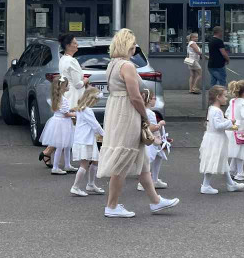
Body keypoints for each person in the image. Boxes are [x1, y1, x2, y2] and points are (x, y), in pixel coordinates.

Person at [97, 29, 179, 218]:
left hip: (116, 109)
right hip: (127, 112)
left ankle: (156, 201)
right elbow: (134, 96)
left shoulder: (112, 64)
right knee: (123, 158)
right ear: (128, 45)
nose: (135, 47)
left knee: (141, 159)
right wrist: (144, 115)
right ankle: (112, 205)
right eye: (133, 44)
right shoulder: (127, 66)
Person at [41, 34, 84, 165]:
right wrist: (86, 81)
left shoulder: (63, 59)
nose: (77, 45)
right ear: (68, 45)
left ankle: (50, 153)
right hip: (74, 97)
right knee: (68, 129)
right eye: (75, 43)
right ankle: (48, 152)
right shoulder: (72, 61)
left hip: (68, 95)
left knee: (68, 129)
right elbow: (77, 83)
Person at [199, 85, 243, 194]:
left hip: (215, 138)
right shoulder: (216, 111)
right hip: (215, 140)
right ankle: (205, 185)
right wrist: (230, 122)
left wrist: (229, 126)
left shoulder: (213, 109)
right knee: (212, 160)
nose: (226, 98)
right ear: (218, 97)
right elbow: (218, 126)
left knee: (222, 160)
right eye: (225, 96)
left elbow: (217, 124)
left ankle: (230, 183)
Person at [70, 86, 104, 197]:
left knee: (95, 161)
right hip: (85, 141)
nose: (96, 103)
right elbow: (95, 125)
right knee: (84, 164)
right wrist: (105, 135)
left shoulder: (81, 108)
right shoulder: (87, 110)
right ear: (91, 99)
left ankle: (91, 184)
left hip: (85, 139)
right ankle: (75, 187)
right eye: (96, 100)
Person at [41, 76, 76, 176]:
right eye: (67, 84)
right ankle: (55, 167)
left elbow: (63, 111)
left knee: (66, 145)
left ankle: (67, 165)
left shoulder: (56, 98)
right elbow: (65, 114)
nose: (69, 85)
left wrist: (71, 110)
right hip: (63, 123)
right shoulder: (63, 99)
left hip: (58, 122)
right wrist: (76, 114)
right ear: (62, 87)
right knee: (61, 146)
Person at [137, 88, 168, 191]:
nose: (155, 100)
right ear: (149, 100)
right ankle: (143, 182)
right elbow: (151, 127)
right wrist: (160, 124)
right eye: (154, 98)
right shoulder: (150, 113)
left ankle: (154, 179)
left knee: (158, 157)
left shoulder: (144, 111)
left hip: (153, 139)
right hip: (151, 140)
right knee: (148, 159)